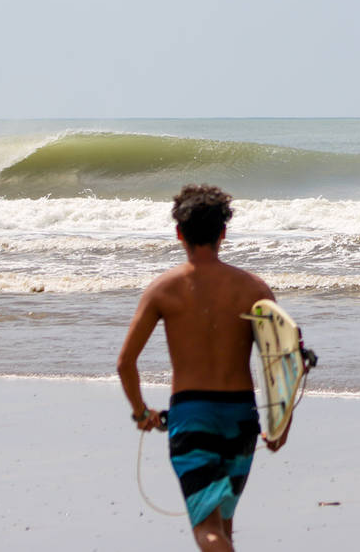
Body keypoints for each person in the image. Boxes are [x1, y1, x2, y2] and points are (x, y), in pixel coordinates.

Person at [118, 184, 288, 552]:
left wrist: (141, 412)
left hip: (193, 418)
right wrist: (281, 422)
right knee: (223, 526)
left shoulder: (164, 289)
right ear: (223, 232)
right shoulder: (253, 288)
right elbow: (280, 361)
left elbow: (125, 362)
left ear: (179, 233)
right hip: (242, 418)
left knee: (207, 532)